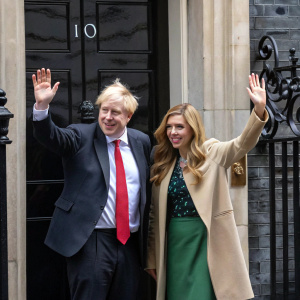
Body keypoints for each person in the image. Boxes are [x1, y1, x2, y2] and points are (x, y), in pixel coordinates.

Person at [32, 68, 151, 300]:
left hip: (130, 244)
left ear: (128, 116)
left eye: (115, 112)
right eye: (104, 110)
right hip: (91, 241)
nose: (107, 117)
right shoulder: (79, 136)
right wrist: (42, 108)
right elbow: (50, 137)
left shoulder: (141, 141)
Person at [146, 73, 268, 300]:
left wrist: (259, 110)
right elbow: (154, 216)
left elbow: (242, 145)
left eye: (180, 127)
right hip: (174, 242)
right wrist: (152, 258)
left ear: (192, 129)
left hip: (206, 240)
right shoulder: (162, 165)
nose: (173, 132)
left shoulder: (212, 152)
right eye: (170, 127)